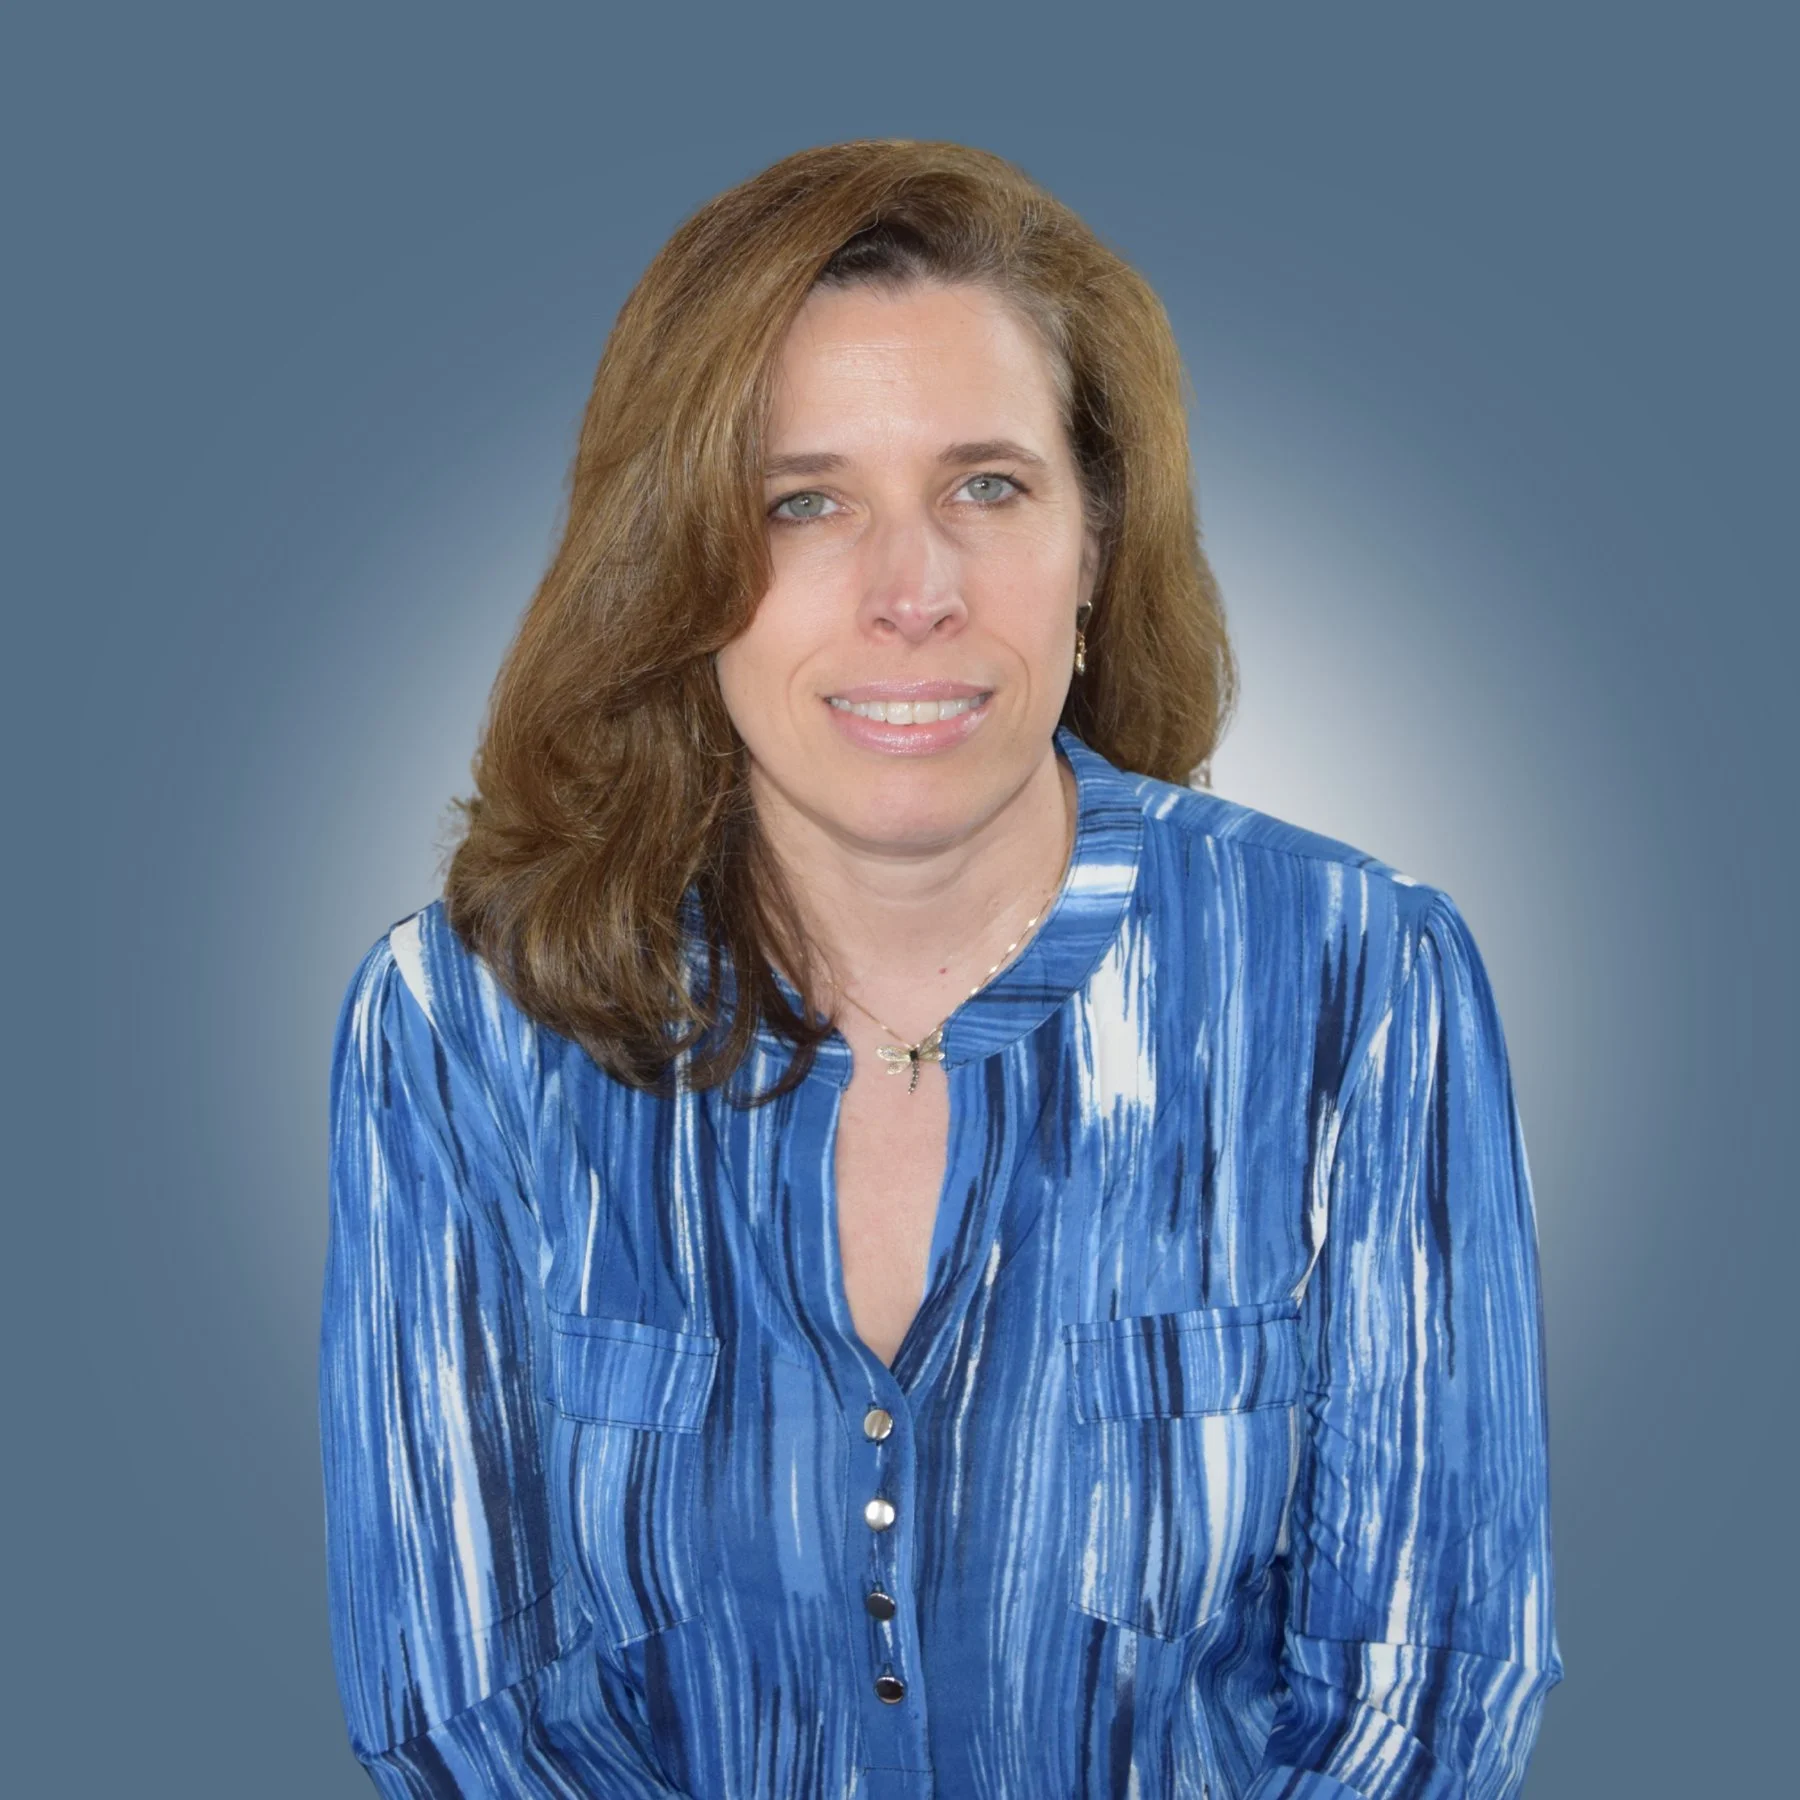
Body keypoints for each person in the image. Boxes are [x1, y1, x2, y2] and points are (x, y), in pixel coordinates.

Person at [320, 139, 1562, 1800]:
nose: (912, 592)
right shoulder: (460, 1023)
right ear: (680, 560)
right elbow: (467, 1715)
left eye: (987, 485)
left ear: (1098, 545)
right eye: (802, 502)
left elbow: (1424, 1691)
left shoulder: (1362, 982)